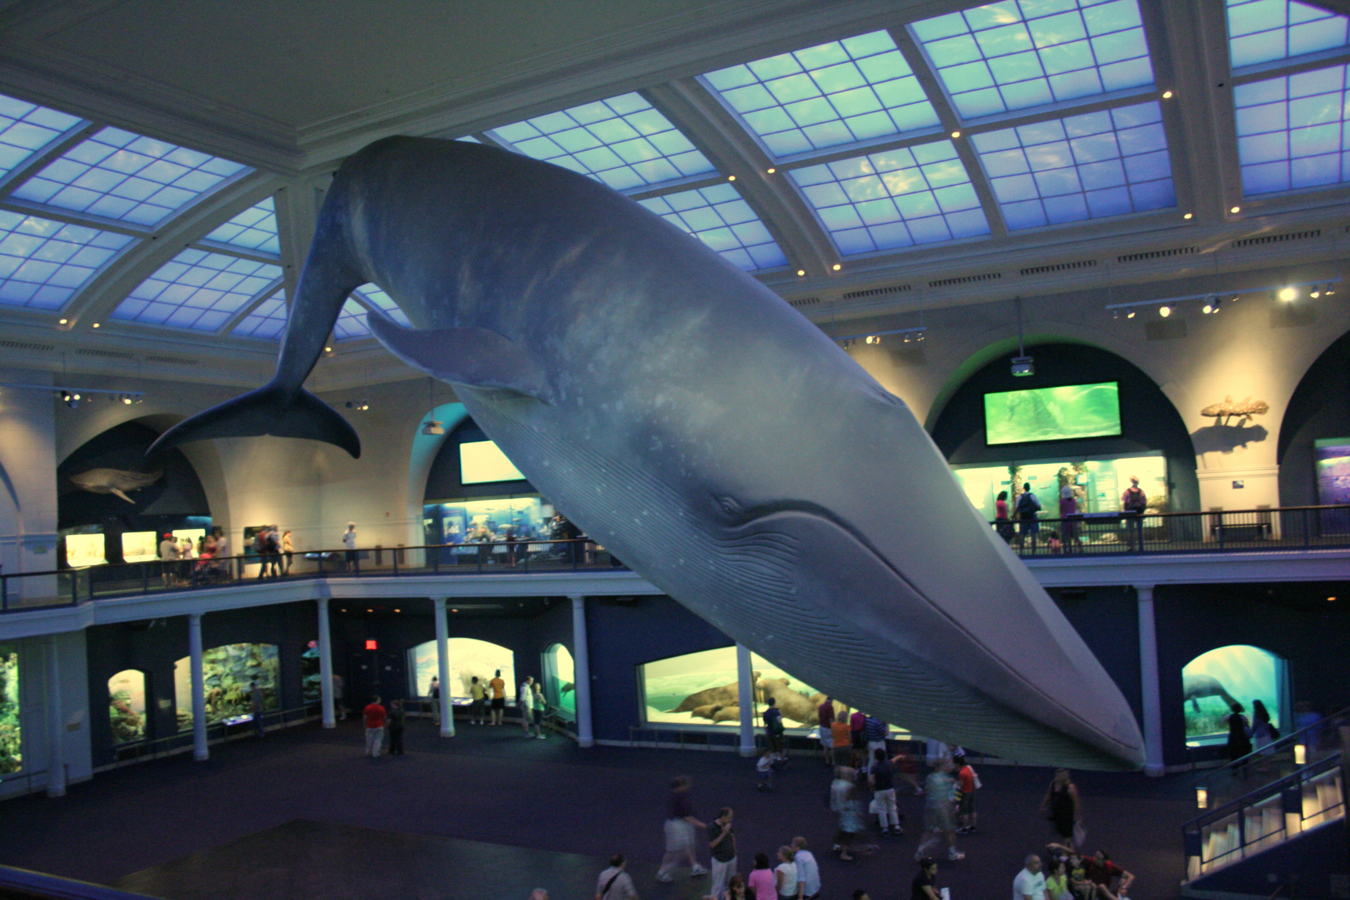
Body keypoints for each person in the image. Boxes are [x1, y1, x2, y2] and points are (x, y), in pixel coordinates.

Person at [655, 775, 707, 882]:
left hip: (685, 824)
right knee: (674, 851)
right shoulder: (675, 798)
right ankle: (662, 872)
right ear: (680, 787)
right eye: (685, 784)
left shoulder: (682, 794)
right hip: (676, 826)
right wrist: (700, 824)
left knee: (690, 845)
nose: (688, 786)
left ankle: (695, 867)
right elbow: (685, 816)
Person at [915, 759, 963, 862]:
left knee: (928, 831)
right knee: (950, 831)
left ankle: (920, 852)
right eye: (947, 764)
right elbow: (951, 798)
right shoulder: (947, 779)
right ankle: (952, 853)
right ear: (942, 767)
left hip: (930, 807)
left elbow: (927, 790)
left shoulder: (929, 777)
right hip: (943, 808)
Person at [831, 766, 869, 861]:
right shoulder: (849, 787)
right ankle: (844, 853)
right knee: (849, 832)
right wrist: (858, 813)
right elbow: (852, 800)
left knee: (842, 828)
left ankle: (837, 844)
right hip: (848, 812)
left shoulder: (835, 783)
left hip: (839, 809)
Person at [1041, 768, 1082, 848]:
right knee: (1060, 834)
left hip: (1066, 817)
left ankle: (1068, 852)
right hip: (1056, 815)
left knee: (1066, 837)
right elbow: (1048, 796)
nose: (1058, 776)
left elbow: (1075, 803)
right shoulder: (1053, 784)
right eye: (1058, 774)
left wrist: (1076, 816)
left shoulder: (1070, 787)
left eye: (1061, 774)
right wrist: (1043, 806)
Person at [869, 748, 901, 836]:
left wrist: (872, 788)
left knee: (881, 809)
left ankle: (885, 828)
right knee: (892, 807)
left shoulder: (874, 767)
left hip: (879, 790)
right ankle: (896, 826)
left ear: (876, 757)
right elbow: (894, 760)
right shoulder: (888, 764)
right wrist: (900, 756)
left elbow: (871, 780)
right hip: (890, 789)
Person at [707, 807, 736, 898]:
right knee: (718, 885)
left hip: (731, 857)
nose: (730, 820)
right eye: (729, 818)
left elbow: (732, 836)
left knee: (732, 882)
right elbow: (712, 844)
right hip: (720, 860)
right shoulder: (712, 827)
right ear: (722, 816)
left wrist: (734, 849)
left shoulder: (728, 824)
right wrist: (724, 833)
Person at [954, 753, 978, 835]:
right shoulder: (968, 768)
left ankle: (964, 828)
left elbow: (960, 785)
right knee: (973, 809)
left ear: (957, 764)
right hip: (972, 791)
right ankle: (973, 827)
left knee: (964, 812)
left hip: (965, 793)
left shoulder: (962, 773)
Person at [1121, 477, 1147, 550]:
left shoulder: (1127, 491)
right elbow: (1144, 503)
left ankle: (1132, 546)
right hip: (1138, 513)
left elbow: (1125, 503)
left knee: (1131, 530)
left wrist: (1126, 512)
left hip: (1130, 513)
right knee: (1139, 530)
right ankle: (1141, 546)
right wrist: (1142, 511)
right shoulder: (1141, 491)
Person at [1016, 482, 1041, 552]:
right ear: (1029, 488)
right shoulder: (1033, 496)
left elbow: (1017, 508)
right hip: (1032, 517)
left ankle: (1021, 550)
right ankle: (1033, 551)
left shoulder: (1020, 497)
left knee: (1022, 534)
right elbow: (1038, 506)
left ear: (1024, 488)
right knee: (1033, 534)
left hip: (1023, 517)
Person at [1059, 480, 1082, 553]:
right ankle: (1080, 548)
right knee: (1075, 535)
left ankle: (1069, 549)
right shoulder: (1073, 501)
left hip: (1065, 520)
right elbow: (1074, 508)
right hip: (1073, 519)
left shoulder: (1062, 501)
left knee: (1067, 536)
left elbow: (1061, 509)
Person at [762, 696, 785, 760]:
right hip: (777, 733)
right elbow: (779, 721)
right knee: (780, 748)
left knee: (772, 749)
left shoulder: (765, 713)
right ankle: (782, 761)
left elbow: (765, 724)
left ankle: (774, 762)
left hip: (769, 733)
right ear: (774, 703)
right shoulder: (776, 711)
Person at [817, 697, 836, 764]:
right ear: (831, 700)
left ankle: (827, 760)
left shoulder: (821, 706)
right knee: (832, 746)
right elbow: (830, 719)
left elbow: (819, 717)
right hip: (828, 728)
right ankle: (833, 761)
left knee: (825, 746)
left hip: (822, 727)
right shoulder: (830, 707)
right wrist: (833, 728)